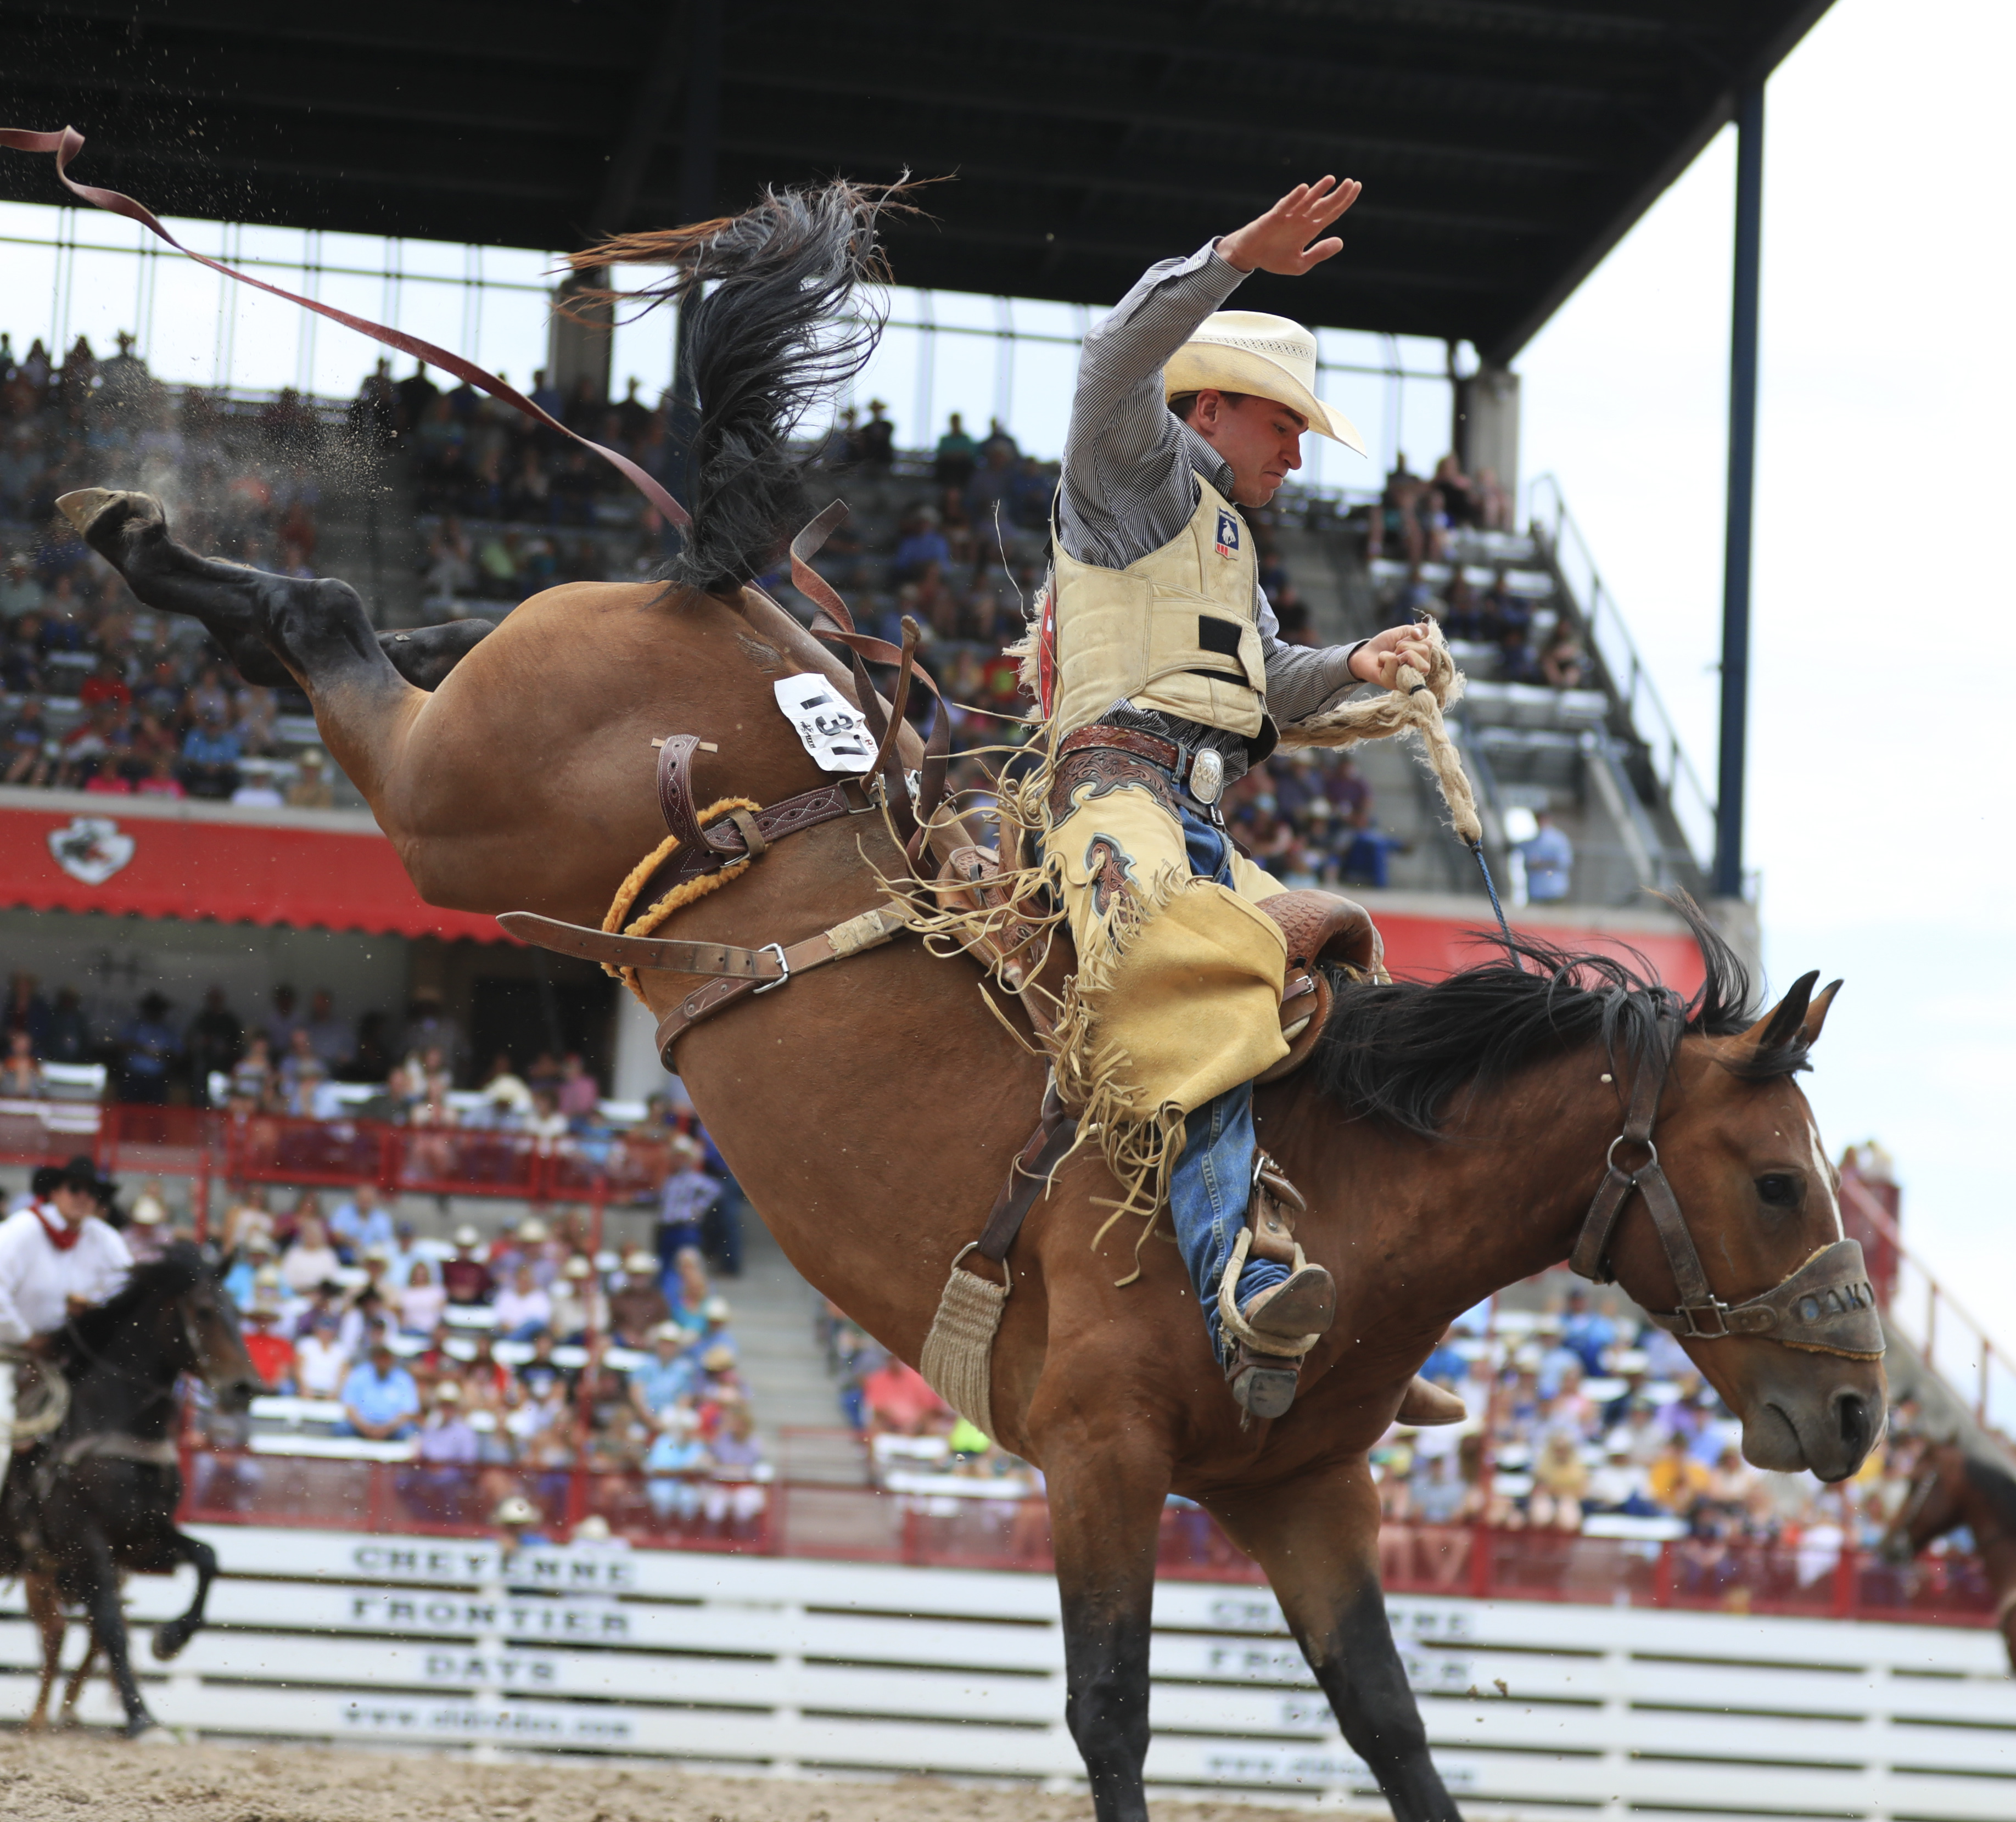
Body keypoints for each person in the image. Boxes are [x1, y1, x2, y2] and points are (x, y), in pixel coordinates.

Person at [1031, 176, 1448, 1421]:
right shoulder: (1134, 468)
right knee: (1199, 974)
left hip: (1191, 811)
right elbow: (1113, 355)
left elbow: (1267, 681)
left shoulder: (1220, 535)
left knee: (1353, 994)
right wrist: (1233, 256)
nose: (1297, 449)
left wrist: (1359, 666)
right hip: (1113, 792)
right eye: (1284, 425)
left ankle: (1351, 1310)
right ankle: (1242, 1277)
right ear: (1208, 408)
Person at [0, 1157, 133, 1500]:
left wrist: (92, 1312)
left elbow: (124, 1294)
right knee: (3, 1441)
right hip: (9, 1356)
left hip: (69, 1358)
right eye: (75, 1188)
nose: (84, 1198)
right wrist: (26, 1338)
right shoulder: (21, 1231)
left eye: (93, 1192)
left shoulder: (103, 1239)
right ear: (55, 1192)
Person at [338, 1336, 421, 1440]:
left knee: (408, 1431)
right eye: (380, 1357)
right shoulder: (359, 1374)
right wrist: (366, 1428)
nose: (383, 1361)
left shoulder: (403, 1379)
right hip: (362, 1425)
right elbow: (349, 1407)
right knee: (342, 1428)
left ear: (392, 1359)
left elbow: (408, 1412)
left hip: (392, 1428)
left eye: (386, 1357)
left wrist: (386, 1429)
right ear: (374, 1358)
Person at [1519, 810, 1573, 904]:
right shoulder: (1533, 841)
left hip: (1555, 890)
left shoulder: (1559, 839)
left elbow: (1564, 862)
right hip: (1536, 890)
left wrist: (1541, 864)